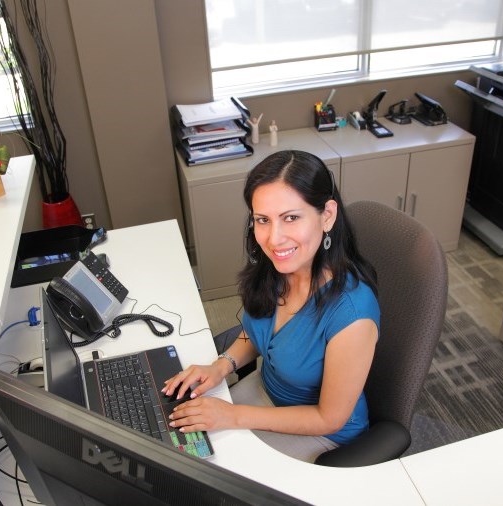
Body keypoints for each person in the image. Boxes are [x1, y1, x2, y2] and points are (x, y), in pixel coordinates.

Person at [163, 150, 381, 462]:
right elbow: (260, 331)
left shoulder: (352, 313)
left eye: (291, 218)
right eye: (262, 220)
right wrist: (221, 366)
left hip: (323, 435)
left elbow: (329, 418)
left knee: (205, 474)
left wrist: (232, 416)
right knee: (176, 445)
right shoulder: (279, 268)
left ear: (327, 216)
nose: (274, 239)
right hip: (263, 396)